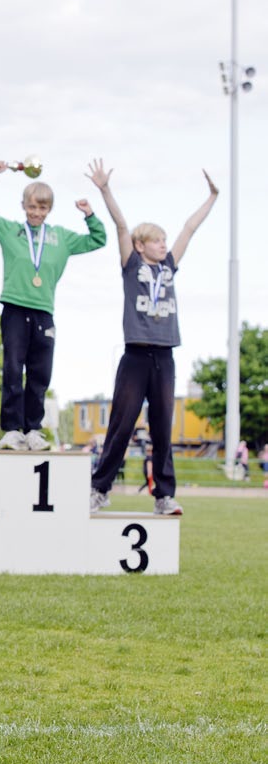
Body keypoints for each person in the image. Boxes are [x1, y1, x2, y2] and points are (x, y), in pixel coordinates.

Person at [85, 159, 218, 516]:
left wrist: (212, 197)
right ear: (140, 246)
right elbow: (121, 224)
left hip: (165, 357)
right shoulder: (132, 265)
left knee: (162, 428)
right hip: (135, 356)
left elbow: (189, 229)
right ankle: (99, 489)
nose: (163, 244)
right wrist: (105, 190)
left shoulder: (170, 267)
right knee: (122, 423)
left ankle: (164, 496)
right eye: (156, 240)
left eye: (163, 240)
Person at [0, 162, 107, 451]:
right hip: (15, 308)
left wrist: (90, 215)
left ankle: (33, 429)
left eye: (42, 208)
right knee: (12, 369)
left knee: (40, 373)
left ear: (49, 210)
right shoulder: (9, 231)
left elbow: (99, 239)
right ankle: (11, 429)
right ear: (23, 206)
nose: (36, 213)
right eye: (32, 207)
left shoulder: (61, 238)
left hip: (44, 311)